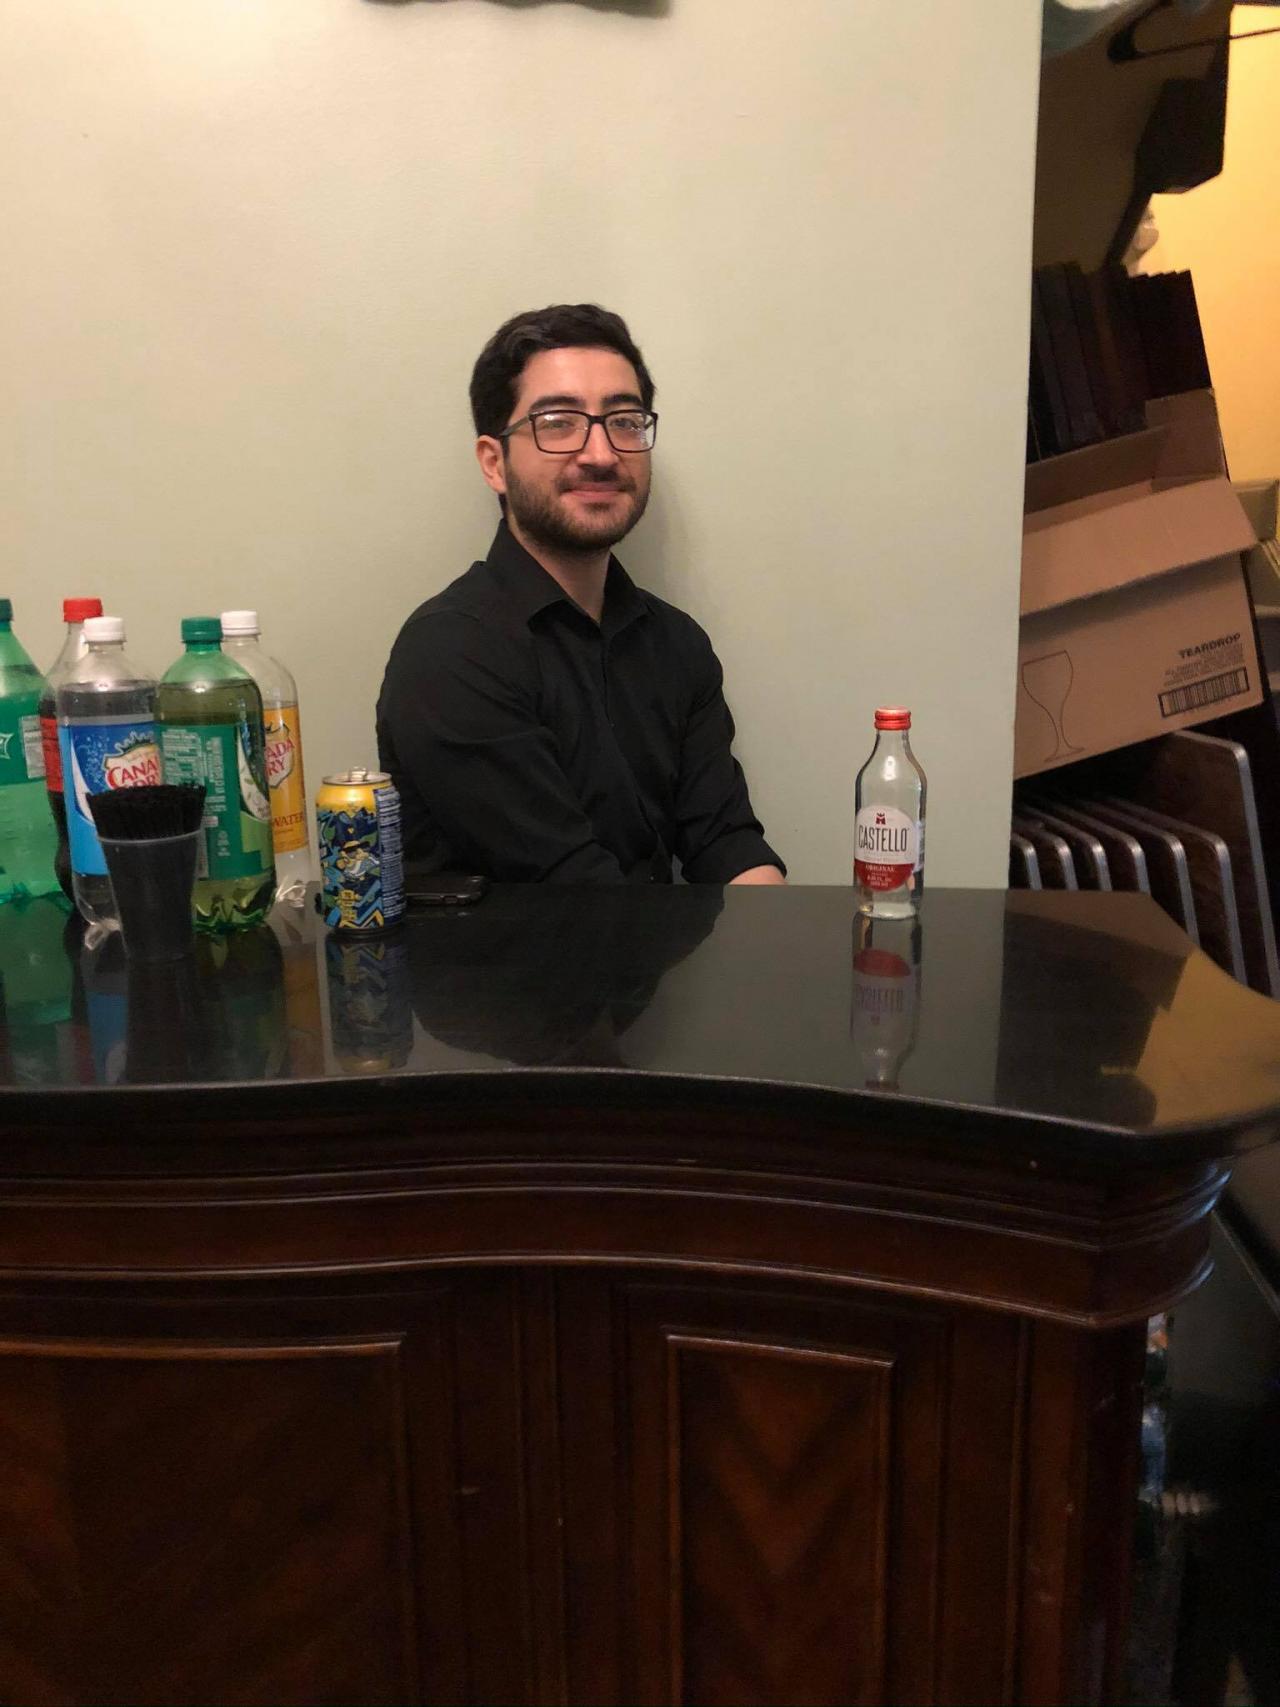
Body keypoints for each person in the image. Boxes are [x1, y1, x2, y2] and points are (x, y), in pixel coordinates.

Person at [376, 303, 785, 886]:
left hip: (653, 945)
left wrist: (776, 934)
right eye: (558, 422)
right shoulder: (450, 651)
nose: (601, 454)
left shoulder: (677, 643)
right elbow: (575, 892)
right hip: (536, 948)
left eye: (624, 421)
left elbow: (727, 843)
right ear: (494, 463)